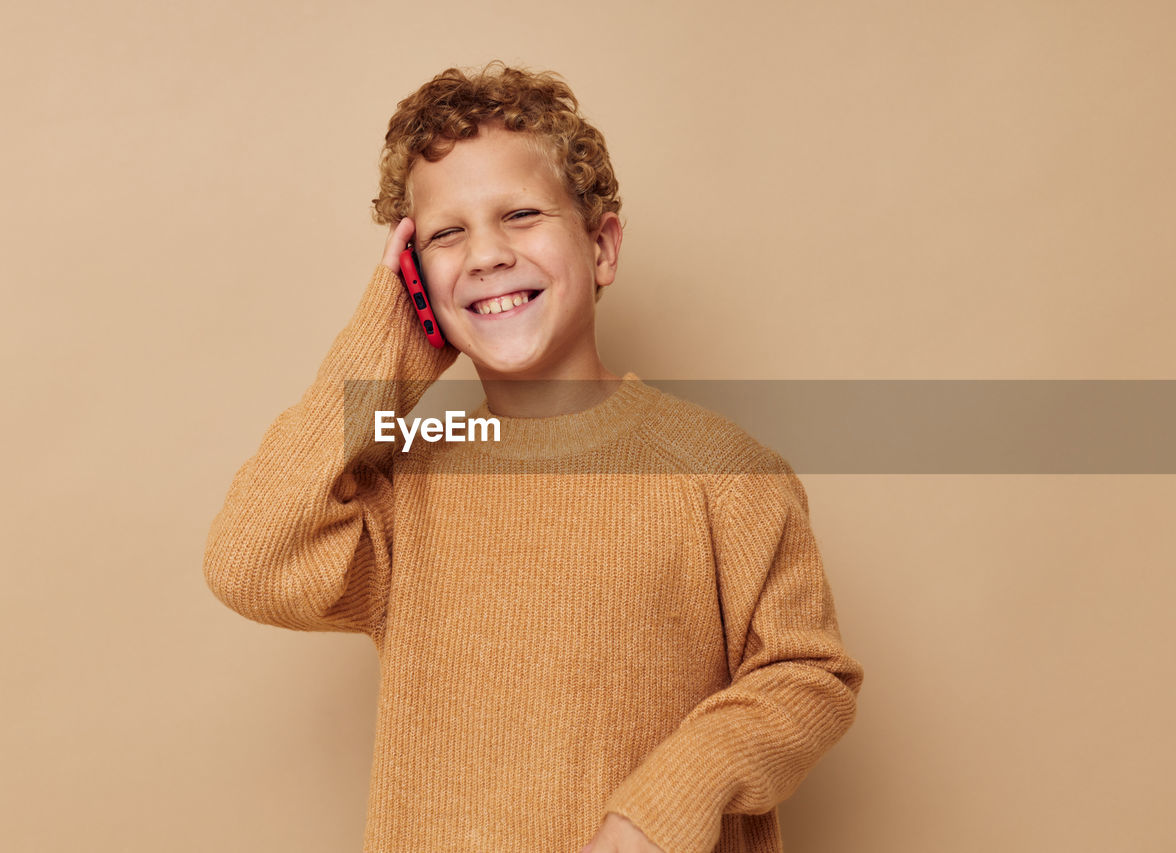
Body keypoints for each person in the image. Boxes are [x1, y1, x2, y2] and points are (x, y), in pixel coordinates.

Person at [202, 61, 864, 853]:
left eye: (519, 214)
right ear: (415, 281)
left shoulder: (721, 470)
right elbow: (248, 557)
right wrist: (389, 345)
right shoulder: (418, 474)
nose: (485, 255)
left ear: (602, 246)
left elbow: (808, 676)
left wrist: (668, 799)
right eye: (446, 234)